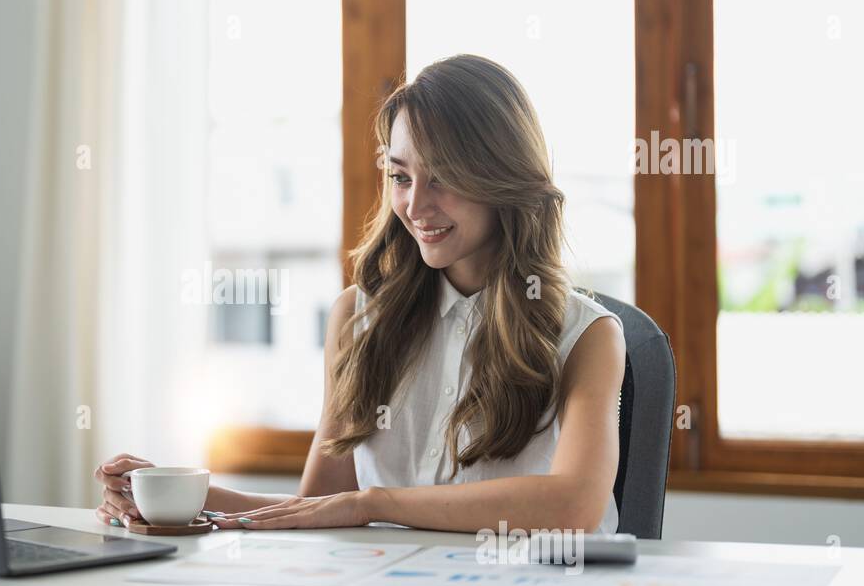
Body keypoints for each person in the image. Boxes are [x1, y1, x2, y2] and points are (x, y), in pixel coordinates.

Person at [95, 54, 625, 535]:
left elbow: (573, 505)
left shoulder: (588, 336)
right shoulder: (357, 317)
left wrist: (374, 503)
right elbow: (323, 505)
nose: (415, 205)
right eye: (400, 175)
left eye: (442, 178)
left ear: (500, 177)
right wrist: (176, 494)